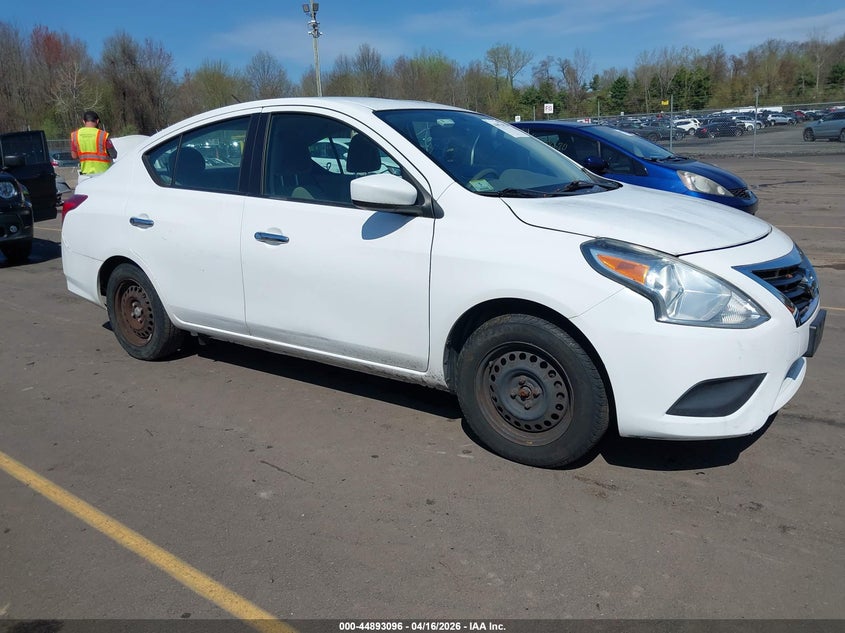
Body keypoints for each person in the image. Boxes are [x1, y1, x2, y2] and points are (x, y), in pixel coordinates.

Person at [70, 110, 117, 179]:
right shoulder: (102, 135)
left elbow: (74, 156)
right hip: (104, 174)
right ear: (97, 121)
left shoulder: (75, 135)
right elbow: (114, 154)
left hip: (86, 175)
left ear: (84, 121)